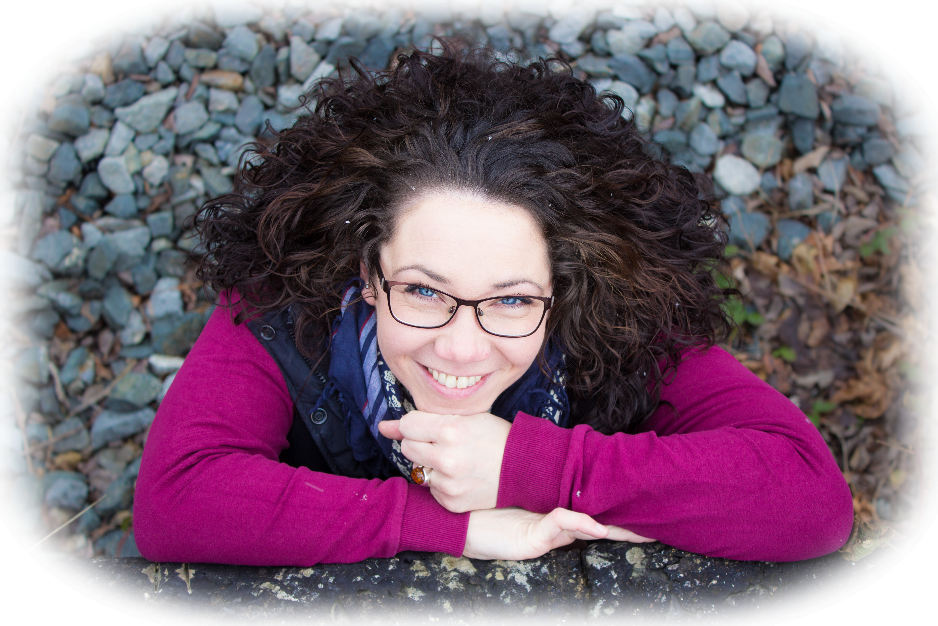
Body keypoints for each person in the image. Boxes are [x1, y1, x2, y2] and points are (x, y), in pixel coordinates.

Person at [133, 45, 854, 566]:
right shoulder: (280, 299)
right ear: (366, 269)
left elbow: (808, 496)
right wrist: (451, 525)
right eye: (423, 290)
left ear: (564, 287)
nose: (460, 348)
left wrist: (532, 467)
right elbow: (177, 501)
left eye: (510, 299)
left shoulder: (620, 317)